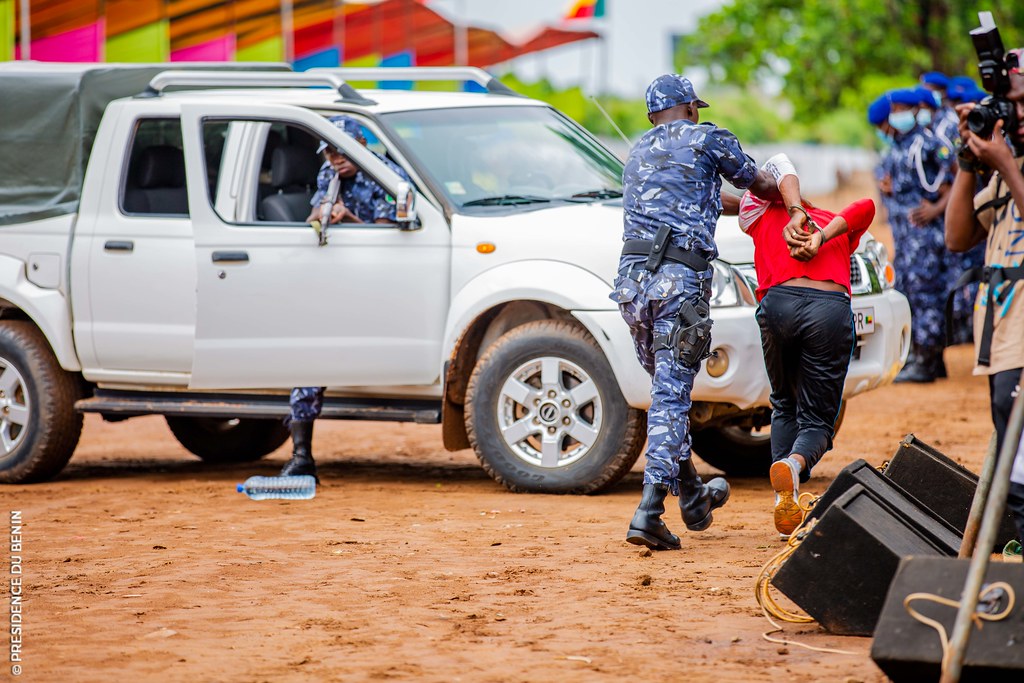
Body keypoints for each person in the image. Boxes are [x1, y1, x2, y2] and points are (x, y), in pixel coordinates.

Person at [613, 74, 782, 550]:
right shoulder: (709, 137)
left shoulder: (638, 151)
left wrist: (734, 203)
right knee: (671, 398)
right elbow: (760, 184)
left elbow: (708, 198)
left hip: (632, 287)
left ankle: (692, 495)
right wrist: (784, 196)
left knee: (666, 391)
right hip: (678, 283)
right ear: (690, 108)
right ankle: (648, 511)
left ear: (651, 116)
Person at [737, 154, 875, 536]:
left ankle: (787, 496)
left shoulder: (761, 218)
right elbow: (866, 206)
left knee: (784, 403)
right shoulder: (830, 219)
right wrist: (821, 236)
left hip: (777, 306)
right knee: (817, 420)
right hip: (828, 311)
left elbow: (735, 201)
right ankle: (794, 465)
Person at [281, 115, 411, 479]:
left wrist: (349, 218)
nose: (336, 158)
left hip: (379, 283)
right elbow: (313, 215)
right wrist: (322, 214)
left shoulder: (385, 174)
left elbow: (387, 235)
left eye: (342, 150)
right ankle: (301, 455)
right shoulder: (330, 177)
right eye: (329, 152)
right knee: (309, 360)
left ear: (361, 145)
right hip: (334, 281)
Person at [944, 51, 1024, 545]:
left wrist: (1004, 164)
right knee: (1008, 431)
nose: (1013, 112)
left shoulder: (1010, 163)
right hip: (1001, 323)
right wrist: (970, 161)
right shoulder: (1002, 161)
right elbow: (957, 236)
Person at [882, 87, 953, 383]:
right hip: (905, 238)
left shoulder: (928, 143)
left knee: (927, 295)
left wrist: (936, 210)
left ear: (914, 110)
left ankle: (927, 360)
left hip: (924, 237)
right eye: (893, 109)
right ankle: (924, 358)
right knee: (911, 293)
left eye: (900, 108)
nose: (895, 115)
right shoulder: (900, 143)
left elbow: (952, 180)